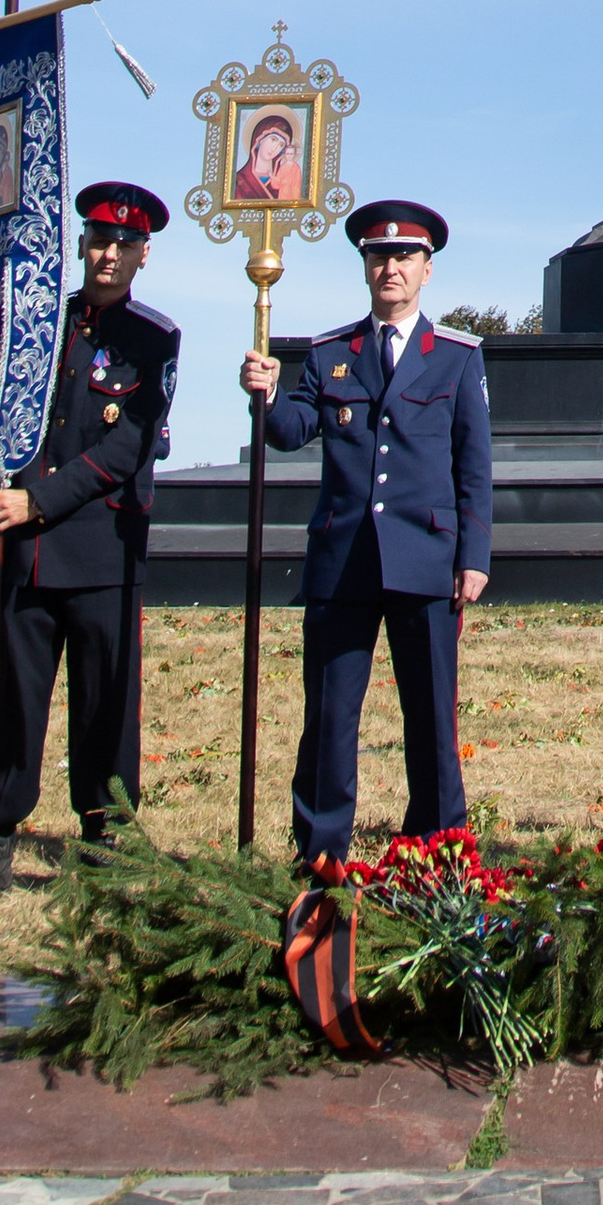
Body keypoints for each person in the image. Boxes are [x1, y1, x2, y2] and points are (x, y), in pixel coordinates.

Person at [242, 198, 492, 866]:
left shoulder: (458, 359)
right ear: (364, 267)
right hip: (343, 562)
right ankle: (321, 854)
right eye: (379, 256)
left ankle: (436, 848)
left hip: (425, 557)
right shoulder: (332, 355)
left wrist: (474, 556)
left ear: (427, 271)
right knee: (328, 719)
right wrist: (266, 394)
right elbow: (294, 431)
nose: (392, 268)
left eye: (405, 257)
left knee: (432, 717)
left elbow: (473, 466)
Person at [0, 177, 178, 908]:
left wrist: (35, 501)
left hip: (99, 552)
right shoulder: (38, 330)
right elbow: (7, 416)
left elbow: (126, 452)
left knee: (103, 711)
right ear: (81, 244)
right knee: (14, 705)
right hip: (25, 550)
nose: (109, 253)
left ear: (144, 255)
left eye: (125, 243)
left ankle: (104, 850)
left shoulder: (154, 341)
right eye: (100, 240)